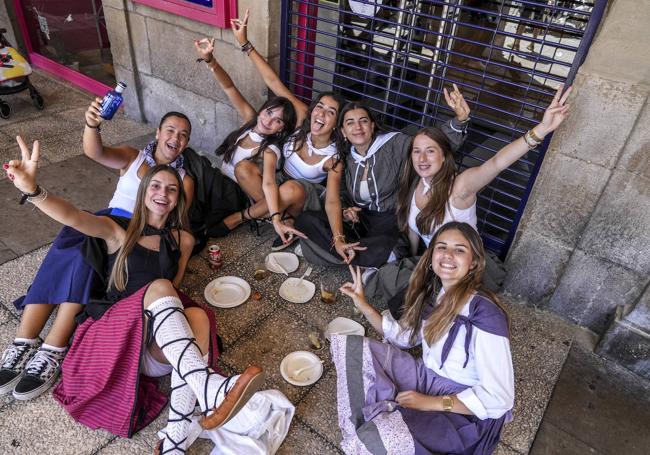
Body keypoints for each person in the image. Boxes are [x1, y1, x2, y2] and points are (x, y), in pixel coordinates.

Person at [4, 137, 264, 453]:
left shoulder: (181, 240)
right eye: (156, 186)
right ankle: (207, 387)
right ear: (143, 194)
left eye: (171, 189)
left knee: (195, 314)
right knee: (162, 288)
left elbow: (175, 287)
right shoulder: (118, 230)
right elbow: (73, 216)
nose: (163, 193)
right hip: (113, 341)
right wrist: (33, 190)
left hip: (154, 349)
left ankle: (175, 439)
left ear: (178, 201)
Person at [0, 105, 196, 401]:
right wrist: (91, 125)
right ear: (157, 133)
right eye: (170, 130)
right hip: (110, 222)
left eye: (183, 135)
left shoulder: (183, 180)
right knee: (75, 246)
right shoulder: (134, 156)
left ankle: (53, 347)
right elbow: (95, 152)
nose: (176, 137)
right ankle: (24, 341)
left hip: (139, 233)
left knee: (90, 263)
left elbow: (177, 217)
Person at [364, 84, 572, 316]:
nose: (422, 158)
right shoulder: (417, 184)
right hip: (434, 262)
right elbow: (414, 232)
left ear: (444, 156)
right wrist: (411, 259)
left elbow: (497, 163)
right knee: (398, 276)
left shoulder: (460, 186)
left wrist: (541, 130)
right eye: (416, 151)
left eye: (430, 151)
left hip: (462, 269)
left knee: (397, 286)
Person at [334, 222, 514, 454]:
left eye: (460, 250)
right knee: (350, 347)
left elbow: (500, 398)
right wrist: (364, 304)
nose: (448, 255)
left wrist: (429, 403)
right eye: (442, 247)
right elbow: (404, 338)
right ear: (431, 257)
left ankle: (380, 429)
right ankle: (367, 430)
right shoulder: (436, 296)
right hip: (426, 377)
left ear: (474, 263)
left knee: (385, 436)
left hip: (462, 406)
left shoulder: (484, 313)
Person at [198, 10, 346, 251]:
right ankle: (280, 219)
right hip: (276, 186)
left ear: (338, 124)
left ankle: (242, 218)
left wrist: (339, 236)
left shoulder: (333, 156)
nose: (321, 113)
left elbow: (331, 198)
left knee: (288, 188)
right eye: (320, 107)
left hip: (301, 195)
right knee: (244, 167)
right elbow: (274, 83)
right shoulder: (304, 122)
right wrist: (244, 43)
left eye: (331, 112)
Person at [295, 84, 470, 267]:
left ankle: (339, 255)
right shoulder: (345, 158)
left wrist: (460, 120)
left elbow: (431, 145)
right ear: (343, 132)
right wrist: (347, 209)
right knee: (306, 220)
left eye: (363, 121)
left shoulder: (395, 144)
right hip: (359, 222)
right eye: (350, 123)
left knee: (388, 248)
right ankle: (357, 259)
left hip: (389, 224)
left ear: (372, 126)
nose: (358, 127)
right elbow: (342, 193)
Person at [193, 32, 297, 237]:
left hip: (233, 195)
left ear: (281, 129)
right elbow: (229, 87)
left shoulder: (271, 148)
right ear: (262, 110)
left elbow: (268, 183)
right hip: (218, 185)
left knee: (192, 162)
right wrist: (210, 60)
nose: (268, 121)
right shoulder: (251, 121)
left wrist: (274, 215)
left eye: (277, 120)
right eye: (269, 112)